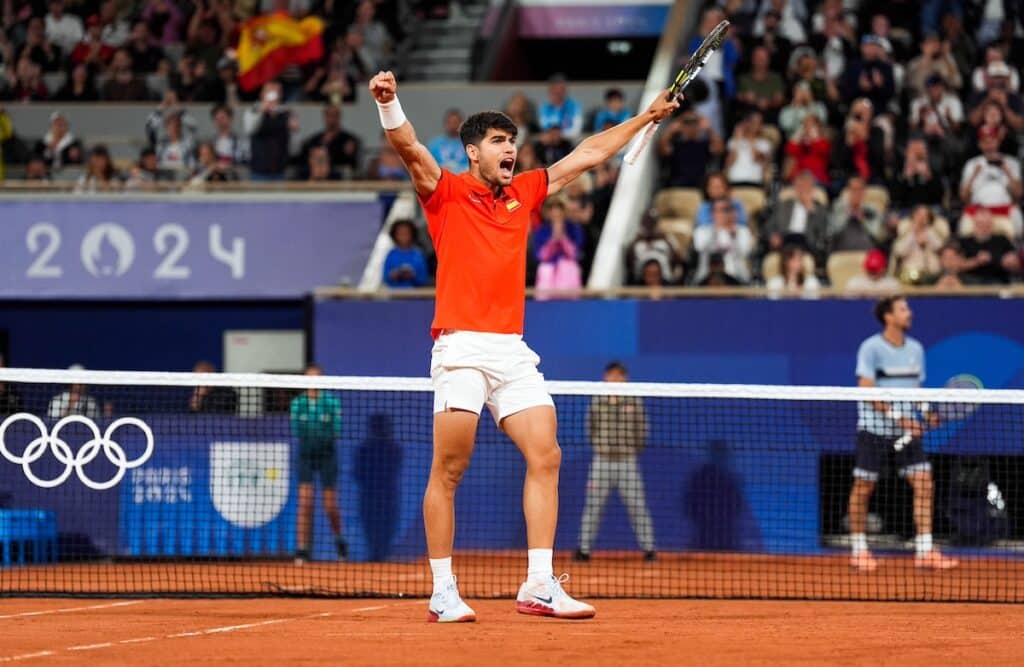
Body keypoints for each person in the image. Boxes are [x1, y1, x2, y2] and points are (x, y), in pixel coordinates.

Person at [368, 68, 677, 622]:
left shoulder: (525, 191)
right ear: (472, 153)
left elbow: (587, 155)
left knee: (547, 455)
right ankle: (443, 590)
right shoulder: (445, 193)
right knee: (450, 468)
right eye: (498, 142)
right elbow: (409, 147)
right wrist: (389, 104)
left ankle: (538, 583)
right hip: (460, 347)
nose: (510, 150)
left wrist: (645, 116)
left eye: (513, 142)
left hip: (512, 350)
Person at [848, 296, 959, 572]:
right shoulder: (870, 348)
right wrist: (901, 418)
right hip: (874, 430)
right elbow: (866, 389)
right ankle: (859, 550)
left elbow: (915, 393)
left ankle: (924, 550)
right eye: (903, 309)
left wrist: (927, 413)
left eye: (907, 308)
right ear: (888, 317)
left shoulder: (916, 349)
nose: (909, 313)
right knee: (863, 488)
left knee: (924, 483)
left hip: (906, 433)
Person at [575, 361, 655, 563]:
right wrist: (600, 447)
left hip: (627, 462)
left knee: (637, 506)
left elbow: (642, 428)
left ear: (624, 378)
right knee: (593, 506)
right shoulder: (597, 400)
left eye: (618, 375)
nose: (614, 378)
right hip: (601, 462)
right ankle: (583, 550)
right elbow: (590, 427)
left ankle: (649, 550)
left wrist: (632, 449)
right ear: (605, 377)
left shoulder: (634, 400)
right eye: (611, 375)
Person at [290, 364, 347, 563]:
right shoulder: (297, 404)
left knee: (330, 505)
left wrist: (319, 437)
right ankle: (302, 549)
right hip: (306, 455)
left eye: (316, 378)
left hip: (326, 456)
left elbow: (335, 431)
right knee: (305, 503)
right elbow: (298, 431)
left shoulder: (331, 403)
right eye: (309, 379)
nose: (313, 383)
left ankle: (340, 542)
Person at [382, 219, 428, 288]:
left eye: (406, 233)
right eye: (400, 234)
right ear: (394, 235)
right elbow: (385, 277)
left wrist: (413, 276)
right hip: (395, 296)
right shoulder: (391, 255)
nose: (403, 237)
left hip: (415, 296)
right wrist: (394, 275)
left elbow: (424, 279)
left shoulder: (418, 255)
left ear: (412, 235)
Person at [427, 109, 468, 174]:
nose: (452, 126)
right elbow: (428, 166)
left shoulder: (468, 144)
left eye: (455, 122)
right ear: (445, 123)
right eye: (450, 122)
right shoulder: (434, 144)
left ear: (461, 124)